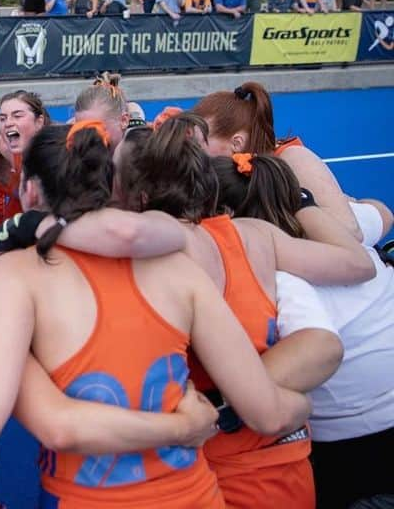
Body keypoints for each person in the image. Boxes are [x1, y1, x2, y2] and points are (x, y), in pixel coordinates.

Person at [0, 121, 311, 508]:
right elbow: (266, 411)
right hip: (195, 494)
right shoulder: (175, 266)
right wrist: (316, 406)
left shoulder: (18, 277)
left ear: (32, 193)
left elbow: (29, 422)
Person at [118, 114, 372, 508]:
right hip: (279, 463)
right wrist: (299, 202)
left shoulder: (139, 255)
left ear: (138, 197)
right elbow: (357, 263)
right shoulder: (254, 235)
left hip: (198, 464)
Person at [212, 160, 394, 509]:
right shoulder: (349, 237)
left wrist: (220, 405)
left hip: (358, 454)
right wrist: (315, 206)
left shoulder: (279, 281)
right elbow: (382, 212)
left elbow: (321, 347)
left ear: (228, 216)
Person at [192, 81, 363, 243]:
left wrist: (278, 235)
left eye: (198, 143)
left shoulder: (293, 158)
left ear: (236, 143)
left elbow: (351, 231)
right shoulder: (226, 171)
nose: (192, 150)